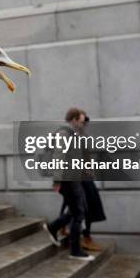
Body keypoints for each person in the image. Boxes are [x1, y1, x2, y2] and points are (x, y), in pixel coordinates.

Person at [42, 107, 93, 261]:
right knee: (79, 213)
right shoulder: (64, 134)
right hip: (67, 180)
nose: (83, 124)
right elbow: (59, 158)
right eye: (81, 121)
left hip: (73, 178)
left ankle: (53, 227)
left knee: (78, 209)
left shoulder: (73, 134)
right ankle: (75, 250)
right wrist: (57, 181)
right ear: (73, 120)